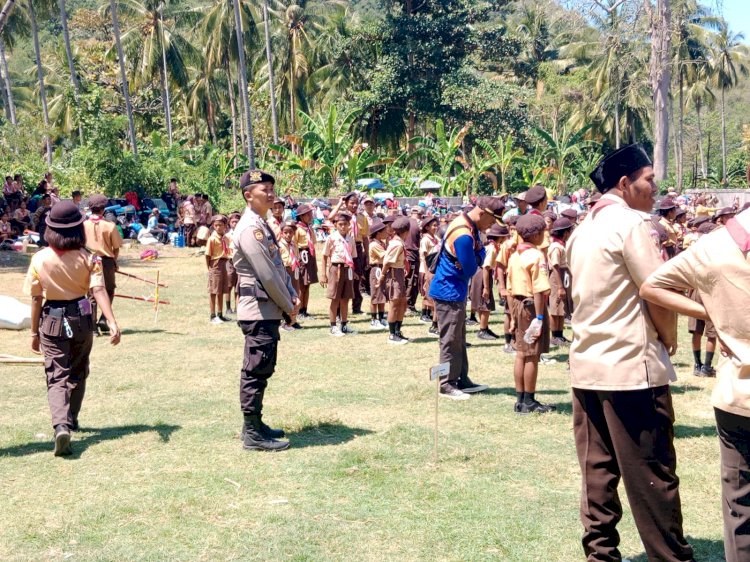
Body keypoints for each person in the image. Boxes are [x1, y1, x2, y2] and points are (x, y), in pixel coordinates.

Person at [566, 143, 694, 561]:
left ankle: (600, 555)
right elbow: (657, 290)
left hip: (587, 367)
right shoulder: (631, 225)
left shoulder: (583, 228)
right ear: (625, 184)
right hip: (631, 369)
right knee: (652, 476)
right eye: (649, 180)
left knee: (597, 473)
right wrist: (669, 336)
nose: (655, 189)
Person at [640, 207, 750, 562]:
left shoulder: (713, 246)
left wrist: (711, 311)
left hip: (739, 394)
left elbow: (652, 285)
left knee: (741, 507)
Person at [23, 201, 121, 456]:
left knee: (56, 375)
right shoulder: (90, 258)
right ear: (79, 228)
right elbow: (98, 289)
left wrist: (34, 333)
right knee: (79, 369)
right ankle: (73, 418)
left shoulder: (40, 258)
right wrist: (111, 320)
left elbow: (36, 299)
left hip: (52, 319)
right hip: (82, 318)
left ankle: (61, 425)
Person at [232, 169, 298, 452]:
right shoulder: (250, 228)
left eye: (272, 188)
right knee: (255, 370)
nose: (271, 194)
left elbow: (278, 266)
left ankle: (257, 424)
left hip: (266, 309)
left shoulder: (261, 223)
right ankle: (252, 432)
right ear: (249, 195)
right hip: (257, 310)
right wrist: (288, 306)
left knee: (263, 367)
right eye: (264, 189)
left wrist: (291, 296)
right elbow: (267, 274)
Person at [428, 196, 504, 399]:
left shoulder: (468, 226)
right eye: (493, 220)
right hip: (448, 291)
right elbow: (471, 267)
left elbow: (476, 256)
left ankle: (461, 378)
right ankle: (446, 383)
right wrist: (477, 255)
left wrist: (476, 255)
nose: (493, 225)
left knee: (459, 338)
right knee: (450, 339)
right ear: (483, 213)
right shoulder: (463, 234)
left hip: (456, 290)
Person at [507, 214, 554, 414]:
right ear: (535, 235)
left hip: (517, 304)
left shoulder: (514, 256)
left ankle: (520, 399)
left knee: (520, 353)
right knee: (532, 354)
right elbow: (539, 289)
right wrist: (540, 317)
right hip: (531, 306)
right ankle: (529, 400)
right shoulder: (536, 256)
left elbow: (509, 289)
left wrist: (511, 316)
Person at [84, 194, 123, 335]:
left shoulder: (83, 225)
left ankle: (92, 326)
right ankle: (103, 319)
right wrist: (114, 262)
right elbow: (116, 247)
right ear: (103, 209)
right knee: (109, 290)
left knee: (91, 294)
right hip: (106, 261)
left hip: (88, 261)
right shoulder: (110, 226)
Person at [321, 211, 357, 336]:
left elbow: (353, 256)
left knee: (345, 298)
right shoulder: (331, 238)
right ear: (336, 225)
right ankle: (333, 325)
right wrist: (323, 274)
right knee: (335, 298)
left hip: (347, 269)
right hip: (336, 268)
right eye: (340, 224)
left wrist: (354, 271)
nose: (343, 226)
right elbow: (325, 256)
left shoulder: (350, 239)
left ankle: (344, 324)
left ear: (349, 225)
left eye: (345, 224)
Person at [377, 216, 410, 344]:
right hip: (394, 274)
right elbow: (387, 262)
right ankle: (392, 334)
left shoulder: (399, 242)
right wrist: (383, 276)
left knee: (401, 302)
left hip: (399, 273)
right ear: (406, 231)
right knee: (394, 304)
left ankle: (397, 331)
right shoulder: (396, 244)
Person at [472, 223, 504, 341]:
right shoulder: (491, 248)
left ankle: (484, 327)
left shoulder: (492, 246)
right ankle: (482, 329)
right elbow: (486, 267)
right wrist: (486, 287)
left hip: (481, 274)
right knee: (485, 302)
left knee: (483, 303)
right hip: (483, 275)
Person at [548, 217, 574, 346]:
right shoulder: (556, 247)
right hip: (557, 276)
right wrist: (560, 286)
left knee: (561, 307)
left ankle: (560, 334)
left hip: (563, 275)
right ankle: (554, 335)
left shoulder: (561, 245)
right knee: (556, 305)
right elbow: (555, 266)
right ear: (565, 233)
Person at [206, 214, 232, 324]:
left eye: (220, 225)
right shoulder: (212, 239)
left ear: (225, 226)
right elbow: (208, 255)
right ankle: (212, 315)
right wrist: (209, 269)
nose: (218, 227)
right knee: (214, 290)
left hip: (225, 264)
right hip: (215, 265)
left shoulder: (226, 238)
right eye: (216, 225)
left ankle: (220, 314)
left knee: (222, 290)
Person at [295, 204, 318, 319]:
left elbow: (314, 243)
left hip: (310, 255)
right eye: (308, 214)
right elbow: (294, 245)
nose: (310, 216)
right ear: (301, 216)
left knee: (307, 284)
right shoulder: (297, 229)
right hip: (302, 255)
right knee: (301, 285)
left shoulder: (309, 228)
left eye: (310, 213)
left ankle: (305, 309)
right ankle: (299, 310)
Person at [278, 220, 301, 331]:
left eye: (290, 232)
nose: (288, 235)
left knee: (295, 294)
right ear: (281, 233)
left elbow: (296, 257)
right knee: (285, 295)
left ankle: (293, 320)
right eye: (285, 232)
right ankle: (284, 320)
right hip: (284, 270)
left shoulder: (294, 245)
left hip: (294, 270)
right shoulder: (278, 245)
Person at [418, 216, 439, 333]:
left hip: (433, 269)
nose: (436, 227)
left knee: (432, 295)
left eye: (436, 225)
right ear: (427, 227)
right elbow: (425, 257)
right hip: (427, 269)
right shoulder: (425, 240)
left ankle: (432, 317)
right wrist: (427, 273)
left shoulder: (435, 238)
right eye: (433, 225)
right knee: (428, 294)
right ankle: (427, 315)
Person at [367, 221, 388, 330]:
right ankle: (374, 320)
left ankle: (381, 318)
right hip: (376, 269)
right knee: (375, 295)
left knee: (382, 294)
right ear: (378, 233)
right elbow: (385, 256)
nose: (387, 232)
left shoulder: (380, 243)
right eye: (384, 231)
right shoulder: (374, 245)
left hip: (381, 268)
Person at [404, 207, 422, 315]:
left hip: (405, 254)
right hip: (413, 255)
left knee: (406, 279)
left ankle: (406, 304)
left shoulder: (405, 222)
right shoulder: (417, 225)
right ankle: (409, 305)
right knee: (412, 280)